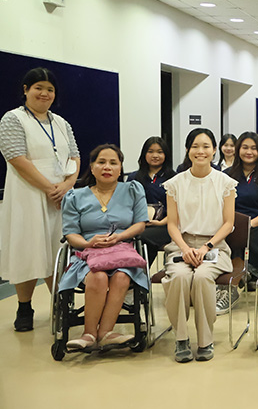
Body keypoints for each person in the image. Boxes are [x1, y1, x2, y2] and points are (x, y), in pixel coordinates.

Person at [0, 67, 80, 332]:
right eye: (39, 88)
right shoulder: (12, 119)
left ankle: (60, 303)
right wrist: (50, 188)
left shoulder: (61, 122)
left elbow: (75, 157)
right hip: (29, 194)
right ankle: (24, 306)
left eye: (50, 89)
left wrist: (67, 185)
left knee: (56, 251)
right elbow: (16, 159)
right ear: (25, 90)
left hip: (60, 196)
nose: (44, 93)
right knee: (28, 249)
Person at [60, 144, 148, 350]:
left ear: (120, 169)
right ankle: (89, 334)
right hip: (87, 252)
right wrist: (88, 243)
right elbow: (70, 234)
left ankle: (106, 332)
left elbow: (140, 224)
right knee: (98, 276)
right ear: (92, 168)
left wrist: (120, 237)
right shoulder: (75, 196)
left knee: (121, 276)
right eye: (101, 162)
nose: (107, 167)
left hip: (123, 250)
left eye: (113, 163)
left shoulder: (133, 190)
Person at [162, 128, 238, 363]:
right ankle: (181, 339)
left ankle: (205, 339)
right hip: (182, 245)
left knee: (203, 276)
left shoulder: (225, 183)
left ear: (214, 150)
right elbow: (172, 224)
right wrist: (185, 248)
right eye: (195, 146)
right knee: (179, 277)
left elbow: (229, 223)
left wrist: (206, 247)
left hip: (215, 245)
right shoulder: (175, 184)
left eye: (206, 146)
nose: (200, 151)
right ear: (187, 150)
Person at [216, 132, 258, 313]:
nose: (249, 152)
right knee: (225, 237)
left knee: (240, 239)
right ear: (238, 150)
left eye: (253, 148)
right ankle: (231, 282)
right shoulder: (227, 174)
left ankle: (230, 288)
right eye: (245, 147)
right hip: (229, 223)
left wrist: (249, 225)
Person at [127, 136, 176, 266]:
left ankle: (138, 272)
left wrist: (160, 223)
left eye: (160, 152)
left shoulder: (174, 178)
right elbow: (126, 204)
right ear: (144, 154)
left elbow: (179, 208)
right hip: (138, 224)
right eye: (150, 151)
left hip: (166, 225)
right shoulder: (134, 178)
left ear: (166, 155)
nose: (155, 155)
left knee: (142, 237)